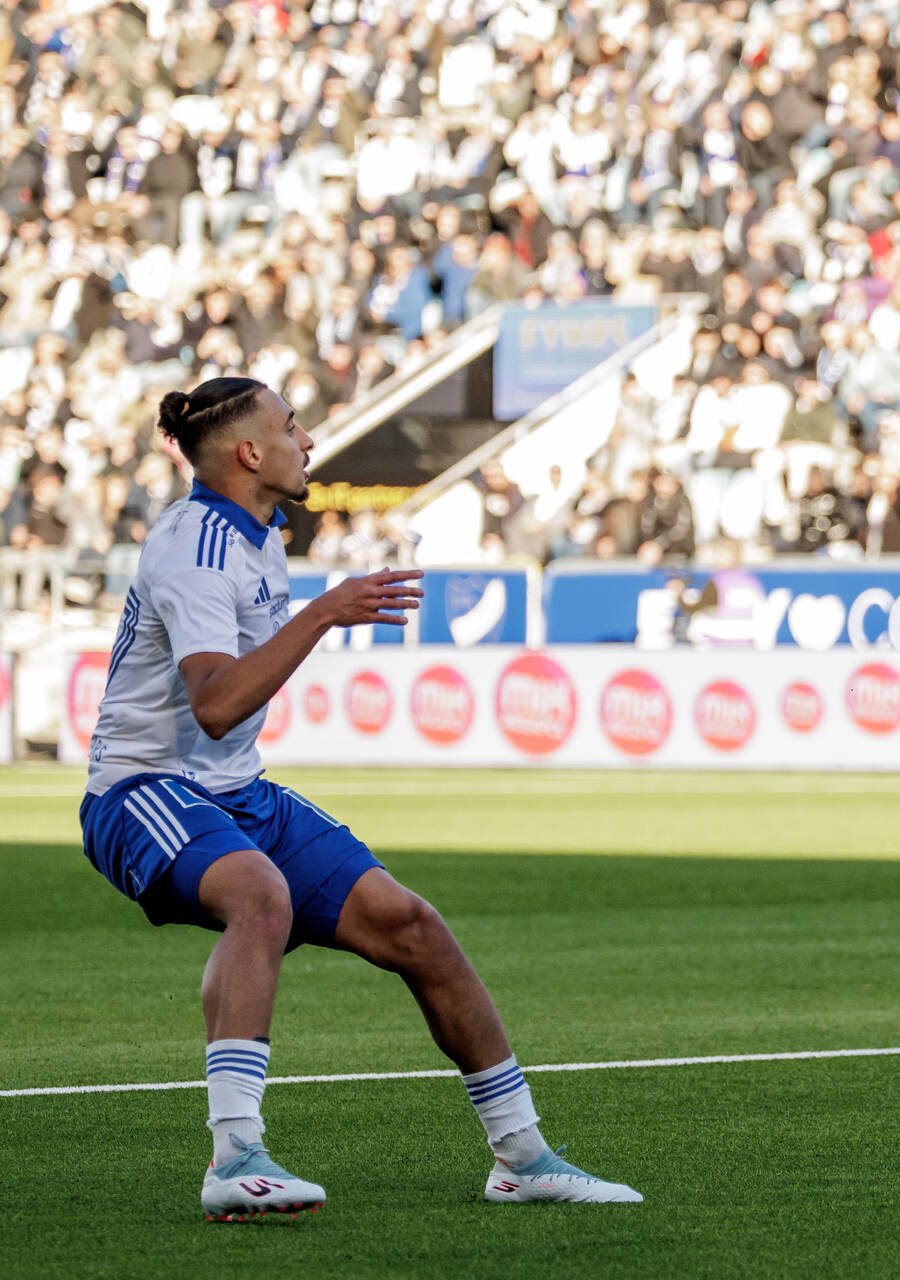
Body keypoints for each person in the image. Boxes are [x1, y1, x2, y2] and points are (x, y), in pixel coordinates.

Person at [78, 378, 642, 1219]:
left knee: (413, 926)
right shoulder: (194, 547)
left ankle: (522, 1156)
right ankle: (235, 1155)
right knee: (258, 896)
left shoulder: (258, 532)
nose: (306, 441)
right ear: (249, 453)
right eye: (291, 427)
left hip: (237, 791)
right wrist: (326, 611)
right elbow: (216, 703)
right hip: (142, 788)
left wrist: (318, 610)